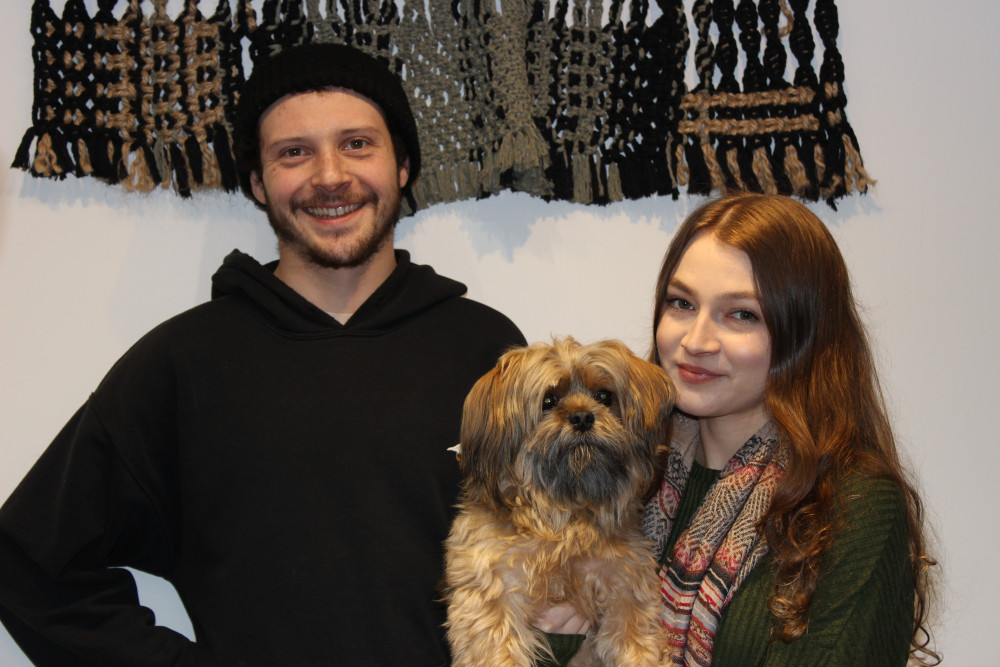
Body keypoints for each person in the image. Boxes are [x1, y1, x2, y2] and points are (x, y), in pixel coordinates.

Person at [0, 42, 525, 666]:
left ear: (403, 164)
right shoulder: (185, 362)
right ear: (255, 181)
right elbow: (26, 562)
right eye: (293, 153)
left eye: (357, 143)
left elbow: (563, 553)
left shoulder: (488, 353)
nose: (330, 176)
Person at [537, 193, 938, 666]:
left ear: (803, 334)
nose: (695, 341)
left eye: (742, 314)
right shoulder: (613, 474)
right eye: (682, 303)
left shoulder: (854, 504)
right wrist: (560, 624)